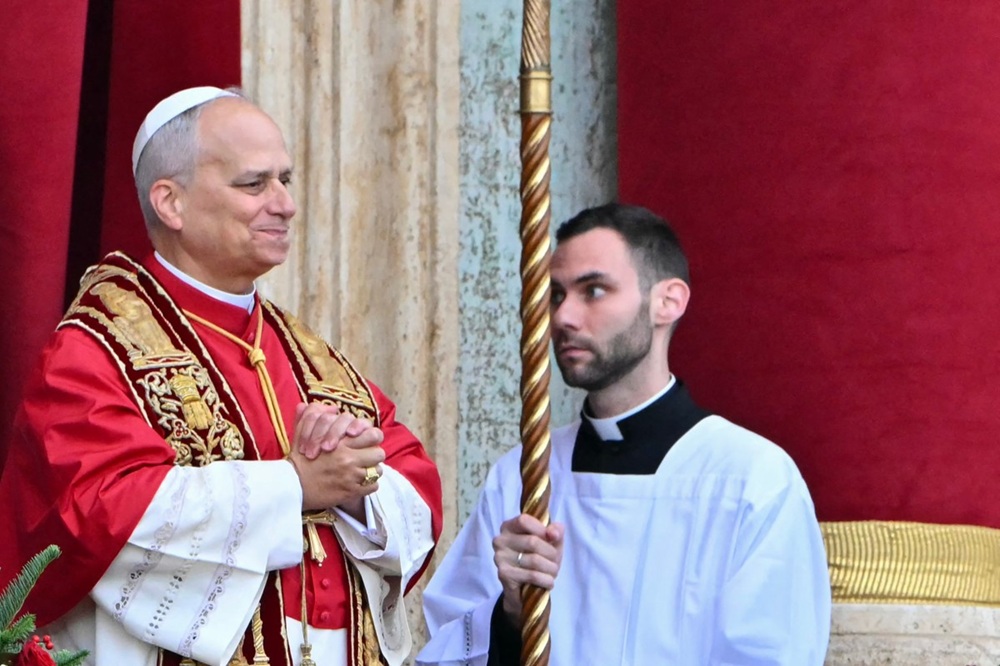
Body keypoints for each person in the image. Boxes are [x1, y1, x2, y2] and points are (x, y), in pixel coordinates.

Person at [0, 86, 443, 666]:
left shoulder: (307, 356)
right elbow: (95, 515)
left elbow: (415, 481)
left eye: (286, 179)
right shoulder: (95, 351)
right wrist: (295, 486)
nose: (285, 204)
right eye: (254, 184)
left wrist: (358, 480)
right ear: (171, 203)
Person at [417, 203, 830, 665]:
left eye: (593, 290)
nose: (563, 317)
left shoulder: (751, 479)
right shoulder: (521, 476)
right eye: (556, 295)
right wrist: (511, 616)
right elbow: (449, 643)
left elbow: (774, 652)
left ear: (667, 301)